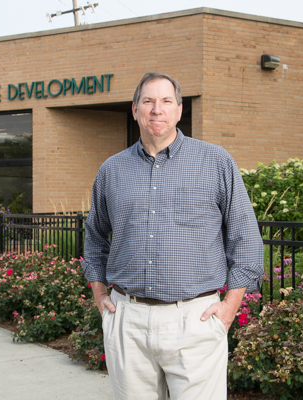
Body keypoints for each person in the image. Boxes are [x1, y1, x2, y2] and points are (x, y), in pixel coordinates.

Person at [82, 72, 264, 400]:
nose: (157, 109)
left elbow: (245, 238)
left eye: (166, 101)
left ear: (179, 110)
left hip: (195, 318)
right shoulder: (112, 170)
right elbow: (95, 236)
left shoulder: (216, 162)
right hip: (128, 319)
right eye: (148, 101)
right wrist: (98, 294)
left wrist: (228, 309)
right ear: (134, 109)